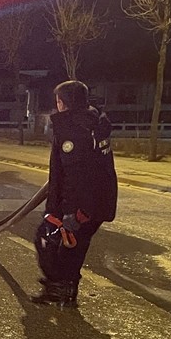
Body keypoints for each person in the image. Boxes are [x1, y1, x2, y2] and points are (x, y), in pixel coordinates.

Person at [31, 79, 117, 307]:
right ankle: (65, 290)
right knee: (73, 248)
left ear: (63, 103)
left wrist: (73, 213)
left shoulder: (74, 131)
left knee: (47, 237)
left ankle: (58, 287)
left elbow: (78, 176)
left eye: (57, 101)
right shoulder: (91, 123)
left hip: (80, 205)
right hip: (94, 204)